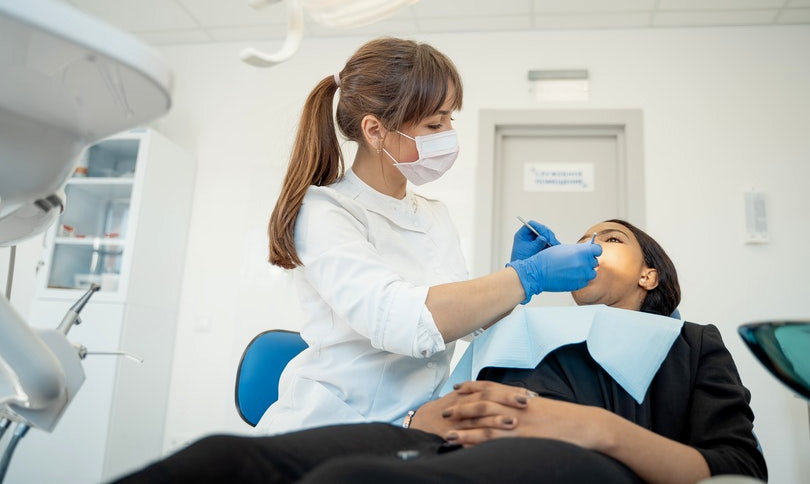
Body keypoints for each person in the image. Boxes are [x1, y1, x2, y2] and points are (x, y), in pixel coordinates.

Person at [114, 219, 766, 484]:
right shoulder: (519, 325)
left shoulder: (692, 343)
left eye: (612, 239)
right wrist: (424, 414)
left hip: (577, 459)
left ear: (650, 275)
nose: (590, 244)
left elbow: (738, 468)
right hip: (434, 439)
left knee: (350, 483)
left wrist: (589, 428)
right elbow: (426, 359)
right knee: (218, 462)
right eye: (585, 236)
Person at [259, 37, 601, 434]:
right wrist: (527, 277)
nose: (449, 133)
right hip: (333, 426)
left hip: (416, 425)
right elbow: (404, 322)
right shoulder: (326, 212)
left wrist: (516, 271)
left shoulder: (433, 214)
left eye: (450, 119)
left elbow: (465, 322)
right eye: (435, 124)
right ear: (375, 131)